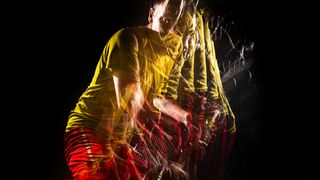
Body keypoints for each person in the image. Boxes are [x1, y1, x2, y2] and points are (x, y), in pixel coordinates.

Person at [64, 0, 190, 179]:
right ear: (151, 14)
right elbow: (130, 98)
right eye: (169, 2)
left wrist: (183, 115)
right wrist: (153, 125)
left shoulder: (171, 50)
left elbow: (157, 98)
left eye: (179, 5)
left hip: (117, 141)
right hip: (88, 129)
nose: (174, 8)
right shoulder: (127, 39)